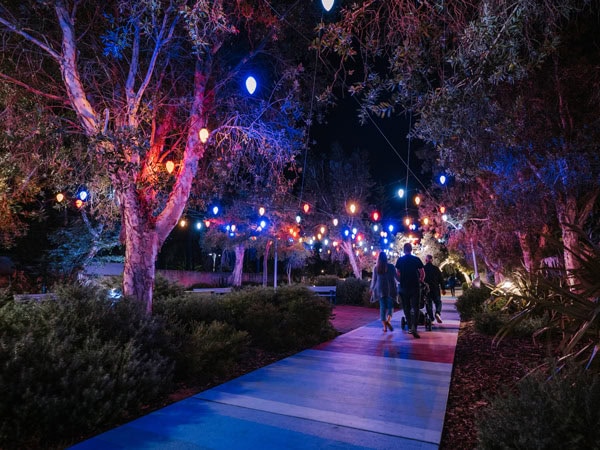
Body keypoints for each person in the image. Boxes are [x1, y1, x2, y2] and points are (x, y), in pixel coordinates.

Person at [395, 243, 425, 338]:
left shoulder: (400, 260)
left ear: (404, 250)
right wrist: (421, 279)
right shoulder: (416, 259)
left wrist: (401, 279)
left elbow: (397, 273)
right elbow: (422, 272)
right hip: (415, 286)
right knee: (415, 307)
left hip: (404, 287)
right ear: (411, 250)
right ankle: (414, 327)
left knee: (406, 307)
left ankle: (410, 326)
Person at [370, 251, 398, 332]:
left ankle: (385, 327)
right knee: (390, 307)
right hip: (390, 289)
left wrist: (371, 289)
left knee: (382, 308)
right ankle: (388, 321)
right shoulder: (391, 267)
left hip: (380, 290)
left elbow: (374, 280)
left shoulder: (376, 268)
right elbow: (396, 278)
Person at [424, 254, 444, 324]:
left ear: (426, 260)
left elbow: (420, 279)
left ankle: (431, 319)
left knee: (428, 304)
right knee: (438, 302)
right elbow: (441, 279)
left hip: (426, 290)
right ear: (432, 260)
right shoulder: (436, 269)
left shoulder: (423, 269)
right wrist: (443, 288)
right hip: (435, 289)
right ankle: (437, 313)